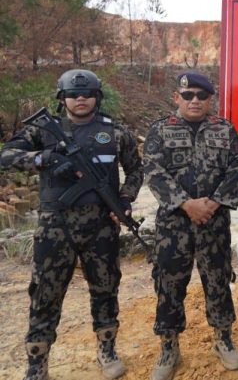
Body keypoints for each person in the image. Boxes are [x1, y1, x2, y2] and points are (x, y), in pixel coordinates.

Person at [0, 69, 143, 380]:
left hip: (101, 227)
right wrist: (44, 159)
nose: (80, 98)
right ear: (62, 98)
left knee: (105, 288)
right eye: (73, 94)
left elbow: (135, 171)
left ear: (97, 96)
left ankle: (106, 347)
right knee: (45, 293)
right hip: (55, 227)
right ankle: (37, 361)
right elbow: (6, 155)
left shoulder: (116, 133)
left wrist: (126, 200)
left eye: (87, 93)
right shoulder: (43, 131)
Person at [143, 71, 238, 380]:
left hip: (214, 222)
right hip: (173, 224)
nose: (195, 101)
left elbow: (237, 169)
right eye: (188, 96)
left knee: (217, 279)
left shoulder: (224, 129)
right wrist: (187, 204)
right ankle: (169, 346)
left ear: (209, 99)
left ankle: (223, 338)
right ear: (178, 97)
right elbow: (152, 170)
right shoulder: (160, 130)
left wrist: (212, 203)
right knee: (169, 284)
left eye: (201, 96)